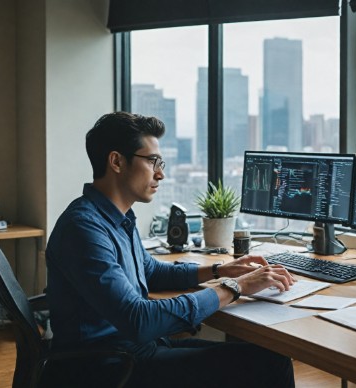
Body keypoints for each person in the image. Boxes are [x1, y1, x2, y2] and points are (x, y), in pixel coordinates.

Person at [46, 112, 296, 387]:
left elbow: (149, 270)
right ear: (117, 161)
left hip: (134, 351)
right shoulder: (83, 228)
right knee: (270, 366)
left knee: (268, 357)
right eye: (152, 161)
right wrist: (234, 287)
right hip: (108, 369)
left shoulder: (117, 218)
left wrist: (218, 270)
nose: (160, 173)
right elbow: (139, 320)